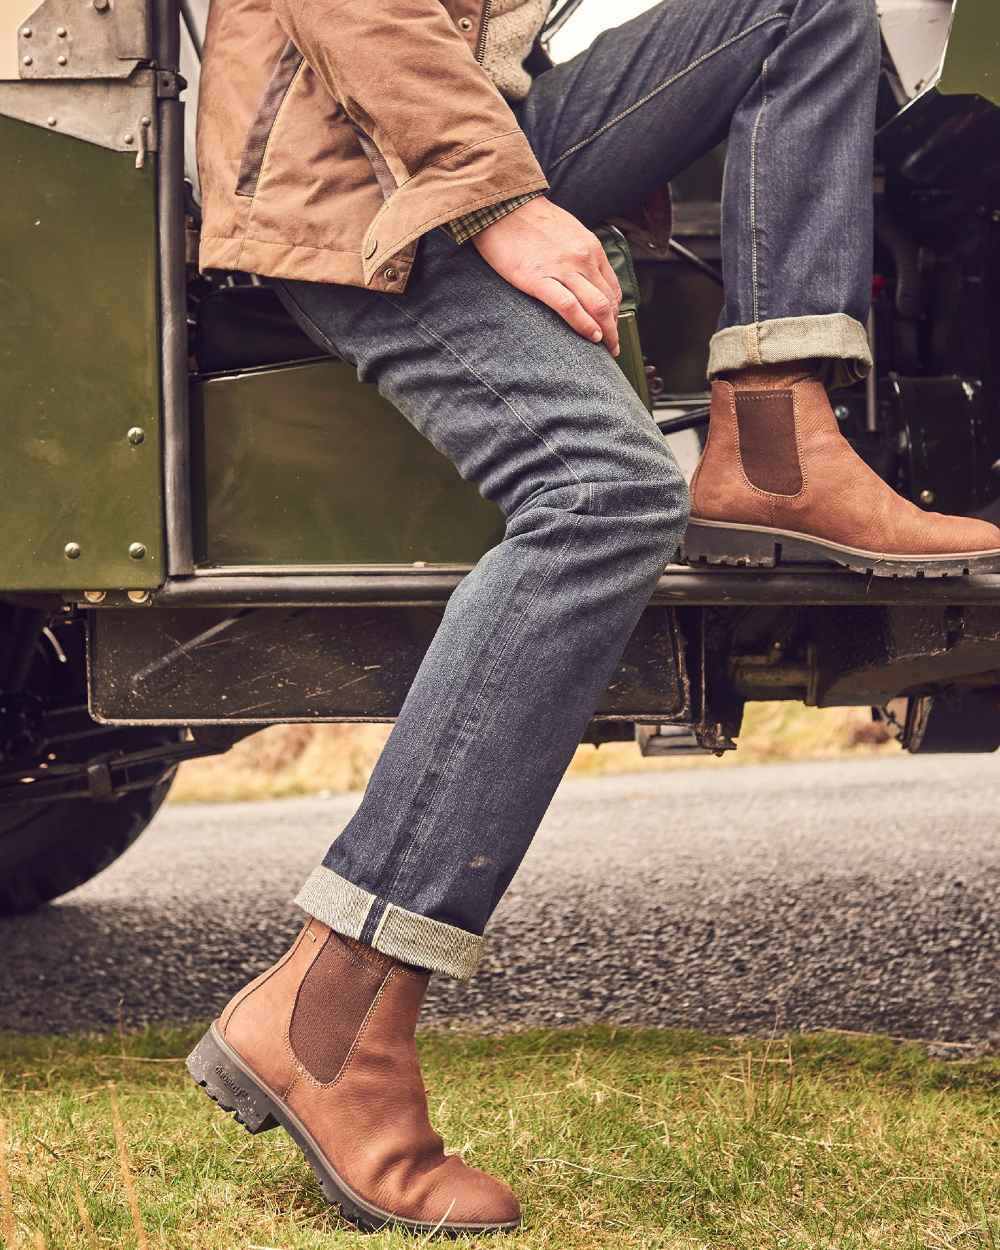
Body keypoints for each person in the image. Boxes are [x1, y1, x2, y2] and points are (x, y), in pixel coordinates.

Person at [187, 0, 1000, 1234]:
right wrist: (499, 199)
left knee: (805, 6)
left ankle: (775, 437)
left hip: (456, 124)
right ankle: (330, 1008)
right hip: (345, 169)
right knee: (603, 495)